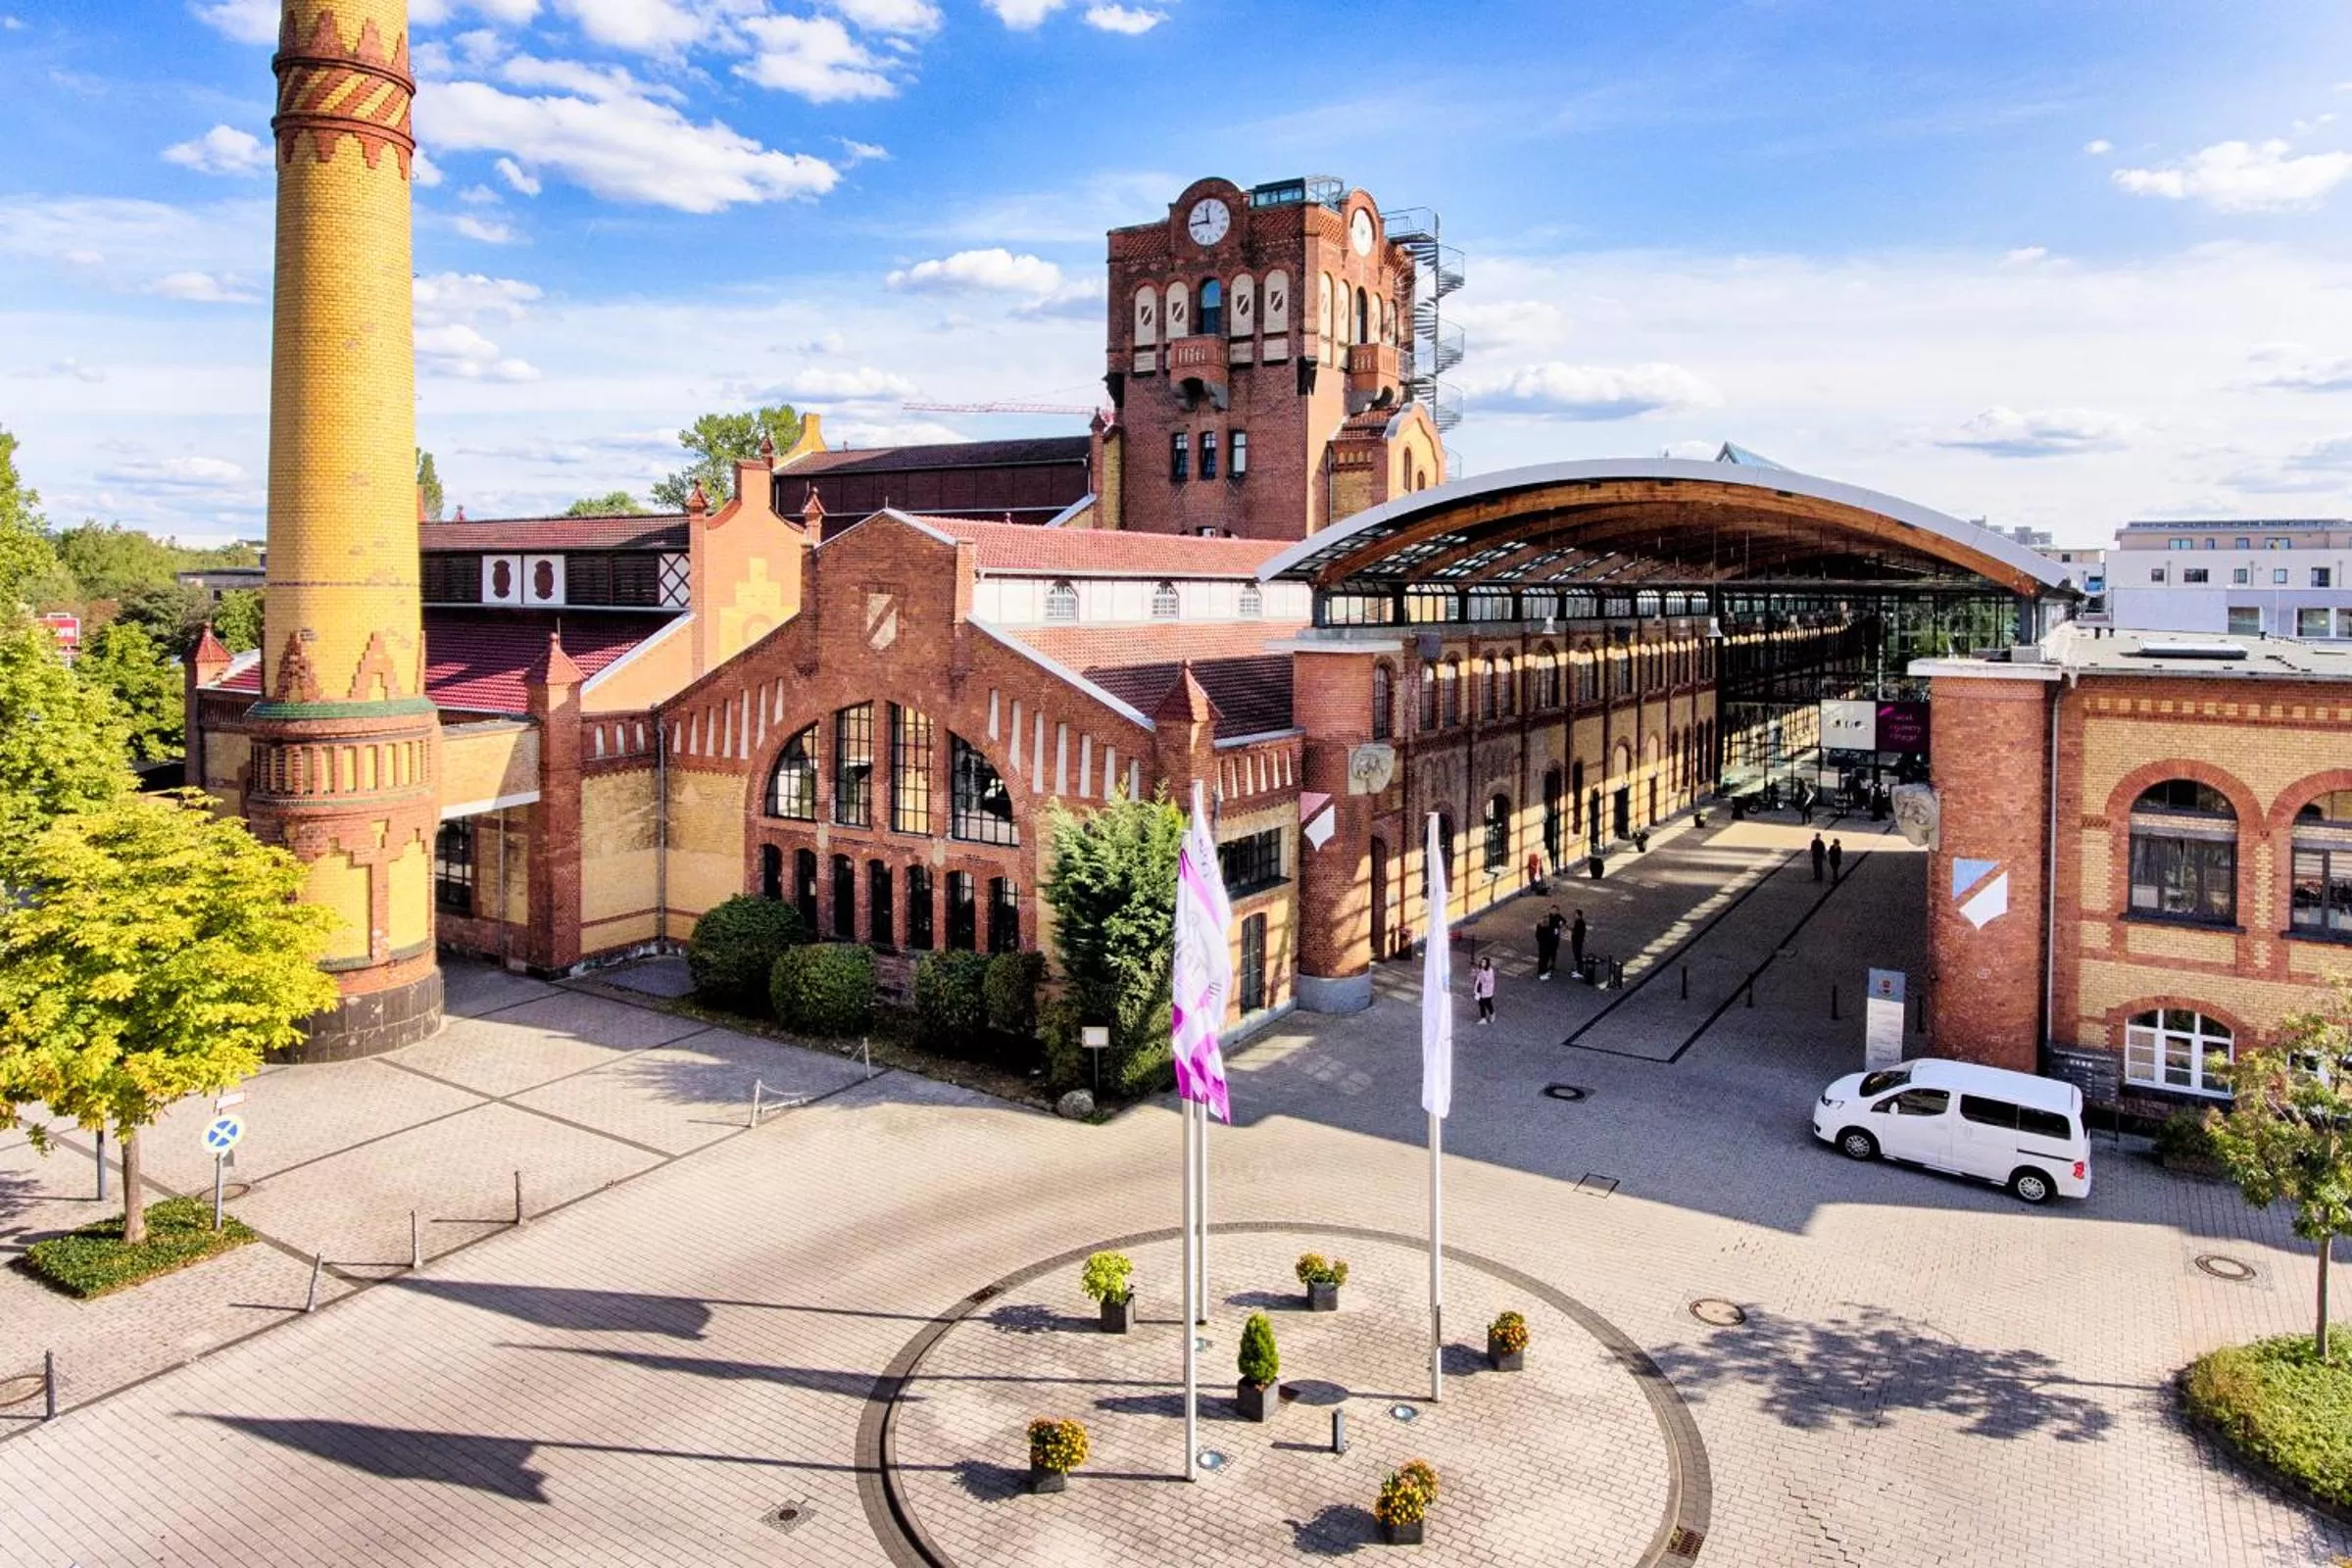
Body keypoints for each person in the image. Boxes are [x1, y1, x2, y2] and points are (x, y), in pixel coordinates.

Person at [1534, 907, 1562, 980]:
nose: (1548, 921)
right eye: (1547, 919)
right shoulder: (1542, 927)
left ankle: (1544, 971)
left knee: (1545, 959)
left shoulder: (1545, 926)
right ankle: (1542, 973)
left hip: (1546, 945)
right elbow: (1541, 936)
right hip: (1544, 946)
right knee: (1543, 959)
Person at [1473, 956, 1496, 1024]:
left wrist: (1481, 971)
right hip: (1480, 989)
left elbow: (1488, 980)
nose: (1482, 963)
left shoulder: (1490, 971)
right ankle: (1483, 1018)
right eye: (1482, 961)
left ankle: (1492, 1013)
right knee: (1481, 1004)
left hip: (1487, 991)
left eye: (1483, 962)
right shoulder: (1481, 969)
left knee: (1488, 1003)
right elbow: (1477, 978)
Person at [1569, 908, 1589, 977]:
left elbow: (1577, 932)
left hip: (1577, 942)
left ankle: (1580, 971)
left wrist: (1572, 930)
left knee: (1578, 956)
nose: (1574, 915)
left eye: (1575, 914)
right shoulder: (1578, 922)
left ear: (1579, 915)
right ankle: (1578, 970)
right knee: (1577, 955)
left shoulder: (1580, 922)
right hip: (1577, 941)